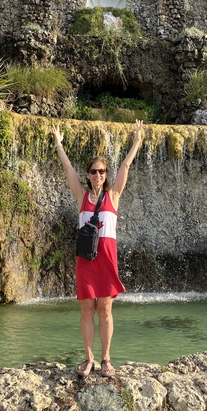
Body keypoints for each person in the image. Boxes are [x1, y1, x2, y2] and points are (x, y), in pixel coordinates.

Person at [51, 120, 144, 377]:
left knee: (105, 309)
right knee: (86, 309)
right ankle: (89, 359)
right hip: (86, 260)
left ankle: (106, 359)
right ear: (88, 174)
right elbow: (68, 167)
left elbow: (125, 165)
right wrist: (59, 144)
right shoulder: (81, 195)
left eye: (102, 171)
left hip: (106, 260)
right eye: (93, 171)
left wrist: (136, 141)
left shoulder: (113, 195)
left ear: (106, 174)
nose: (98, 175)